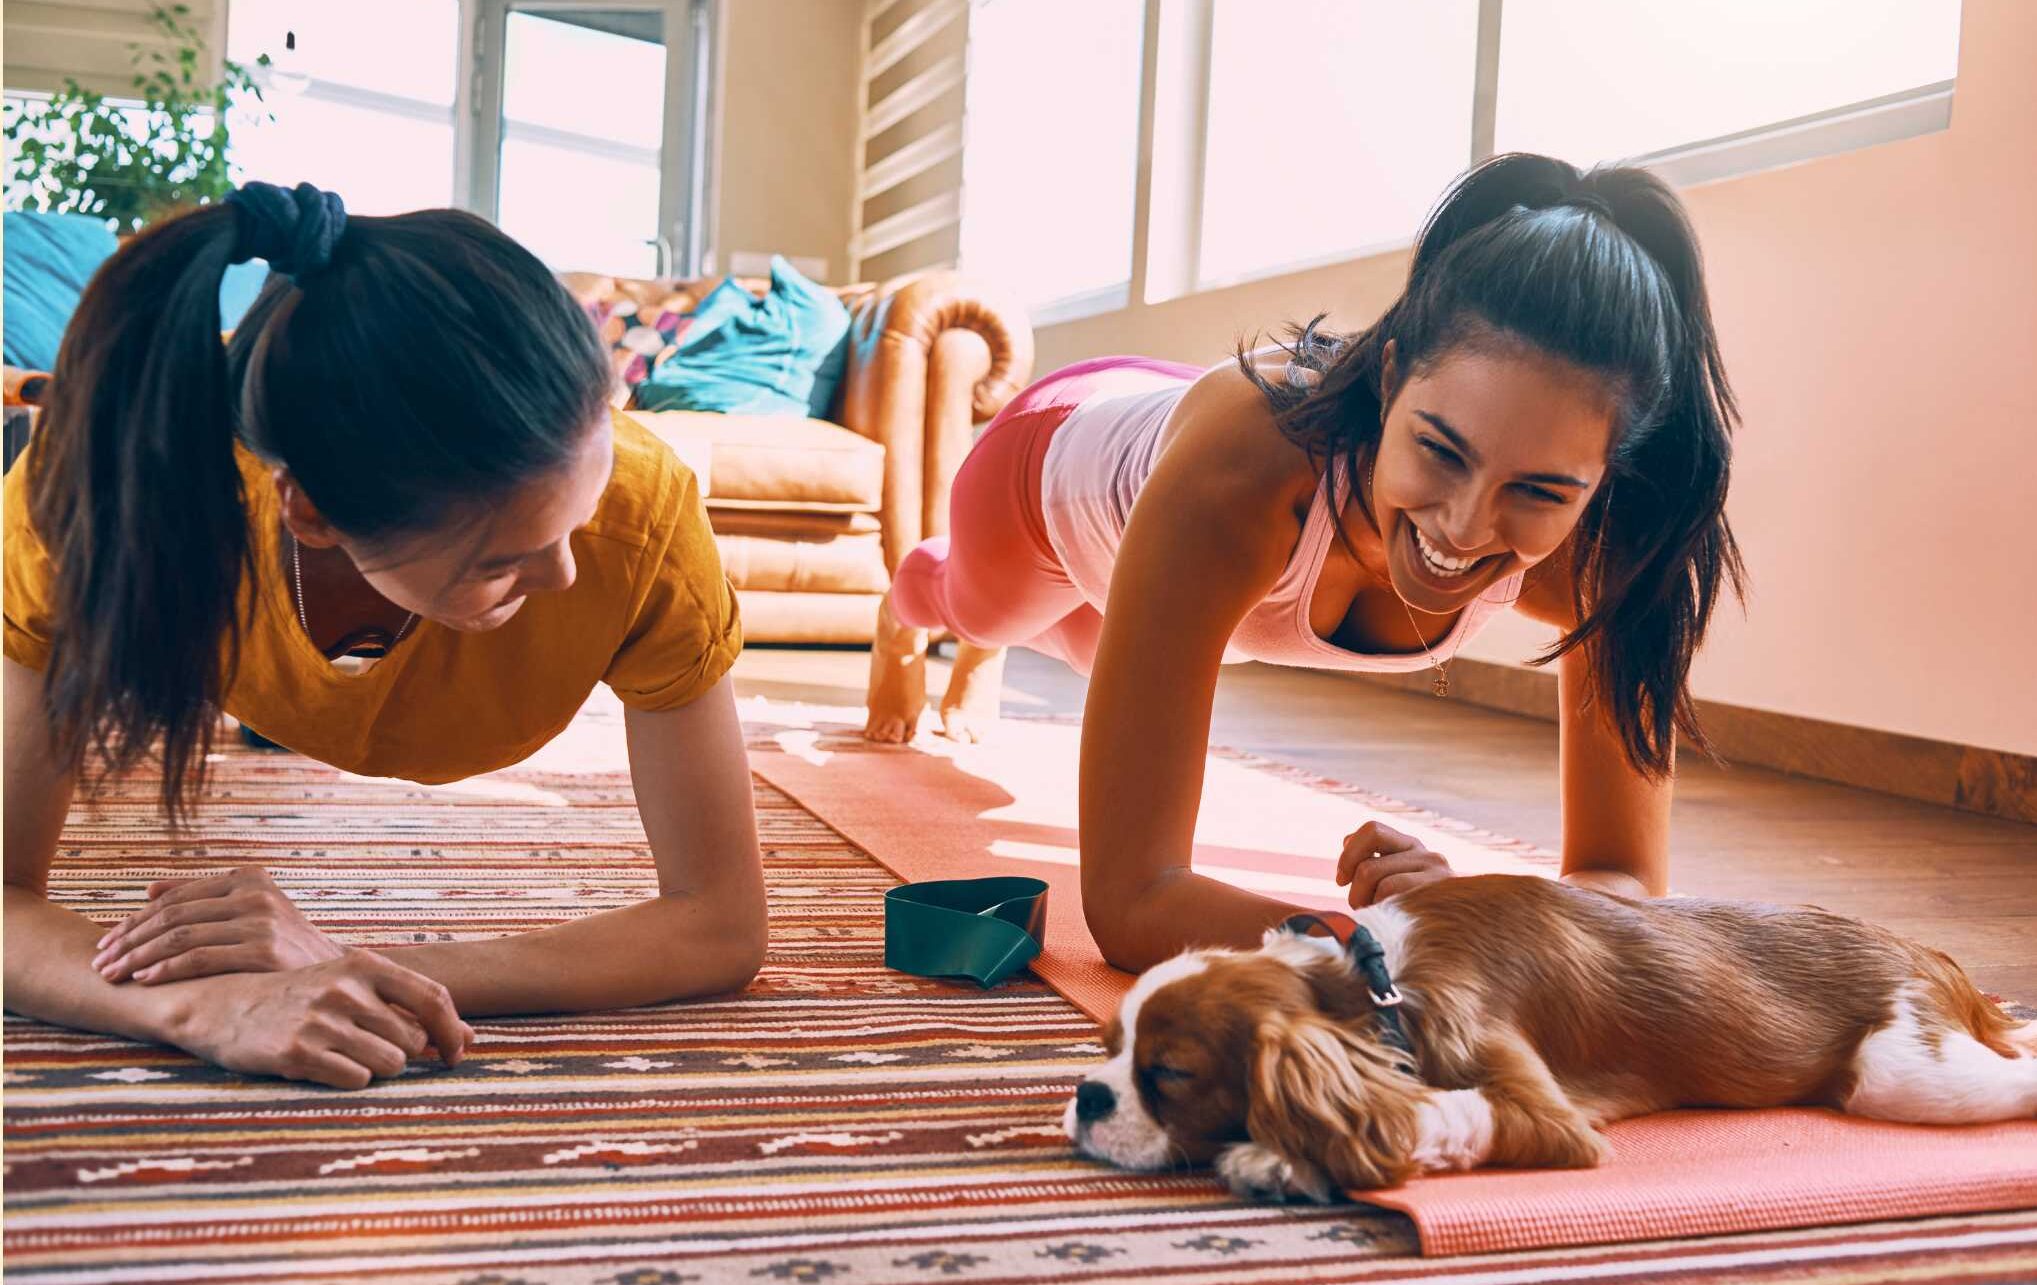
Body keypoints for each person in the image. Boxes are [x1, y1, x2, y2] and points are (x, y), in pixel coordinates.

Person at [864, 154, 1743, 971]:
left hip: (1198, 524)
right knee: (976, 608)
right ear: (1390, 376)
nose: (1467, 529)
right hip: (1049, 470)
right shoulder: (1240, 483)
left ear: (1602, 478)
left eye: (1541, 492)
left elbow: (1622, 882)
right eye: (1439, 449)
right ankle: (906, 616)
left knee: (1095, 648)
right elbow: (1130, 906)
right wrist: (1387, 944)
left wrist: (1475, 913)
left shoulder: (1608, 553)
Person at [3, 182, 765, 1088]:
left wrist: (337, 958)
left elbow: (720, 923)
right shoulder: (110, 488)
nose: (565, 576)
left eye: (581, 518)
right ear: (314, 513)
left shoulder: (646, 517)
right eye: (501, 560)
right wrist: (200, 1004)